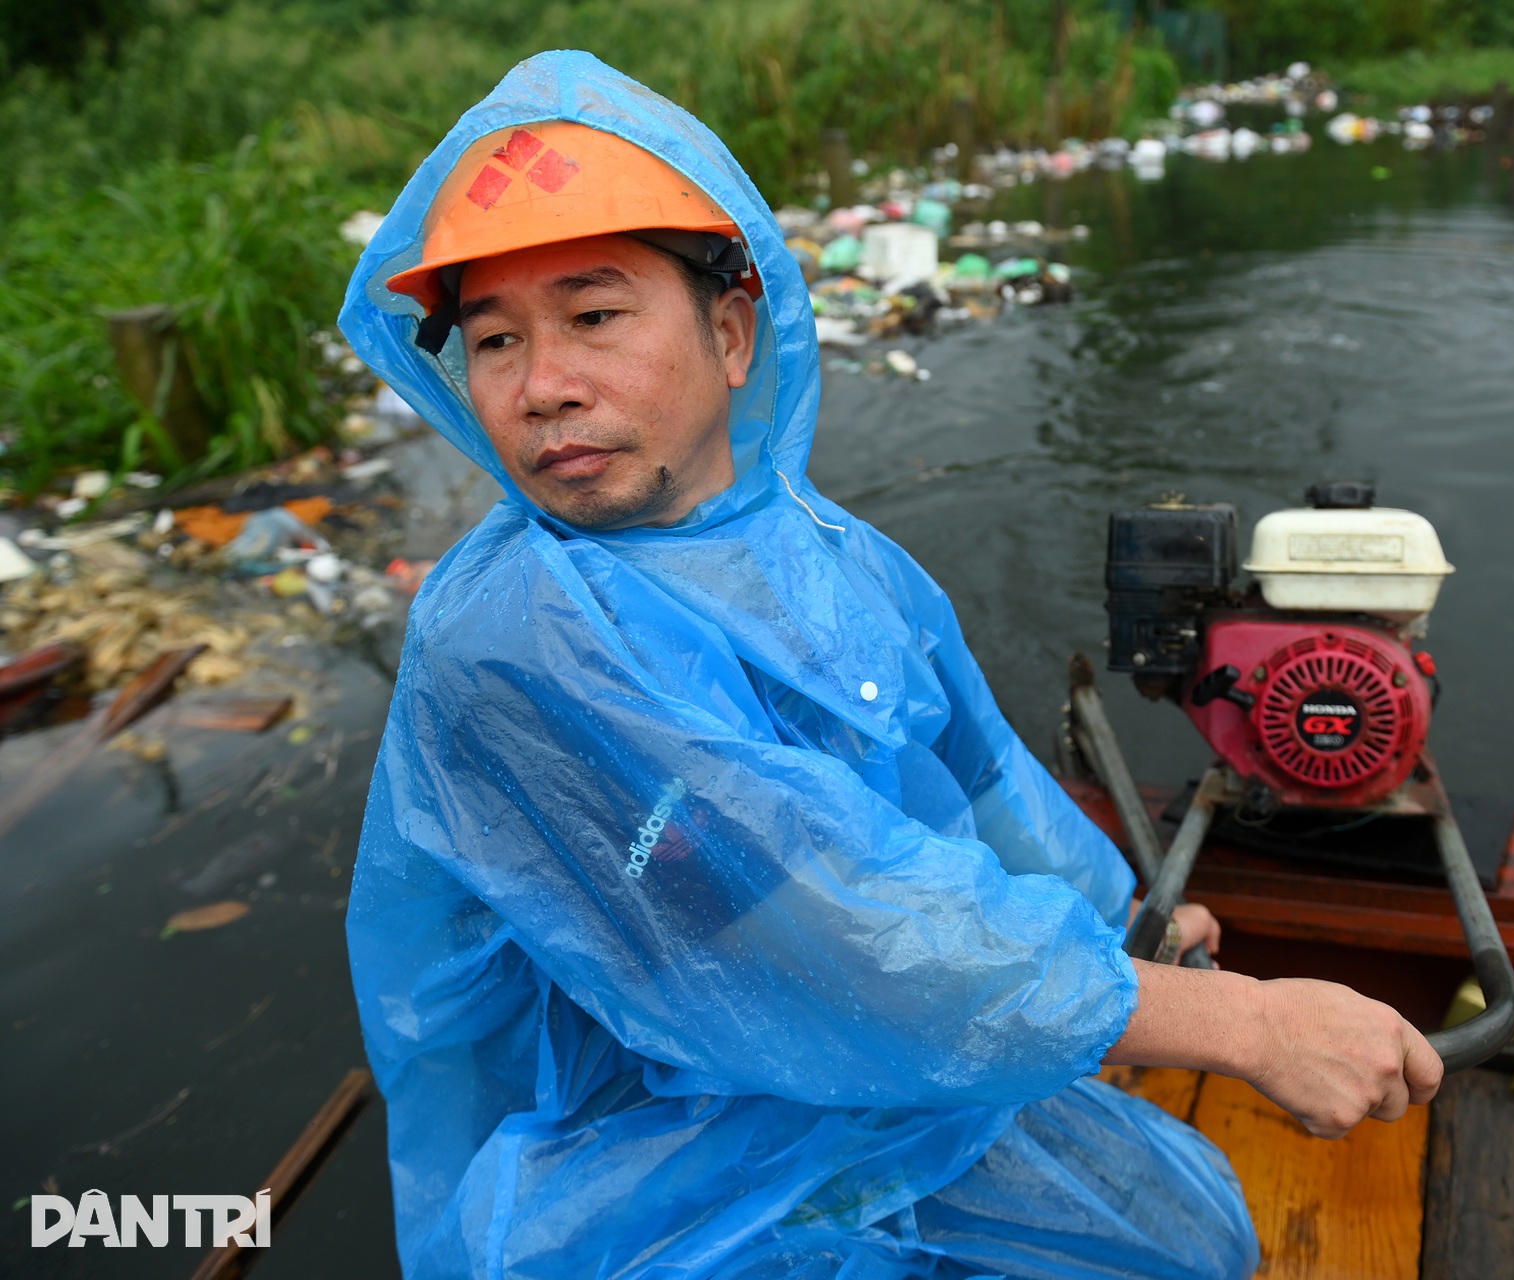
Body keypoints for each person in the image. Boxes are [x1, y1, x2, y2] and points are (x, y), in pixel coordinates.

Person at [341, 51, 1441, 1280]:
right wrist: (1241, 1019)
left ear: (732, 329)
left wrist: (1131, 926)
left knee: (1198, 1233)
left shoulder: (832, 555)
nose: (544, 386)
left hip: (867, 1059)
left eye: (595, 316)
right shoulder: (511, 633)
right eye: (494, 340)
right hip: (648, 1139)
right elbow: (817, 918)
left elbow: (986, 783)